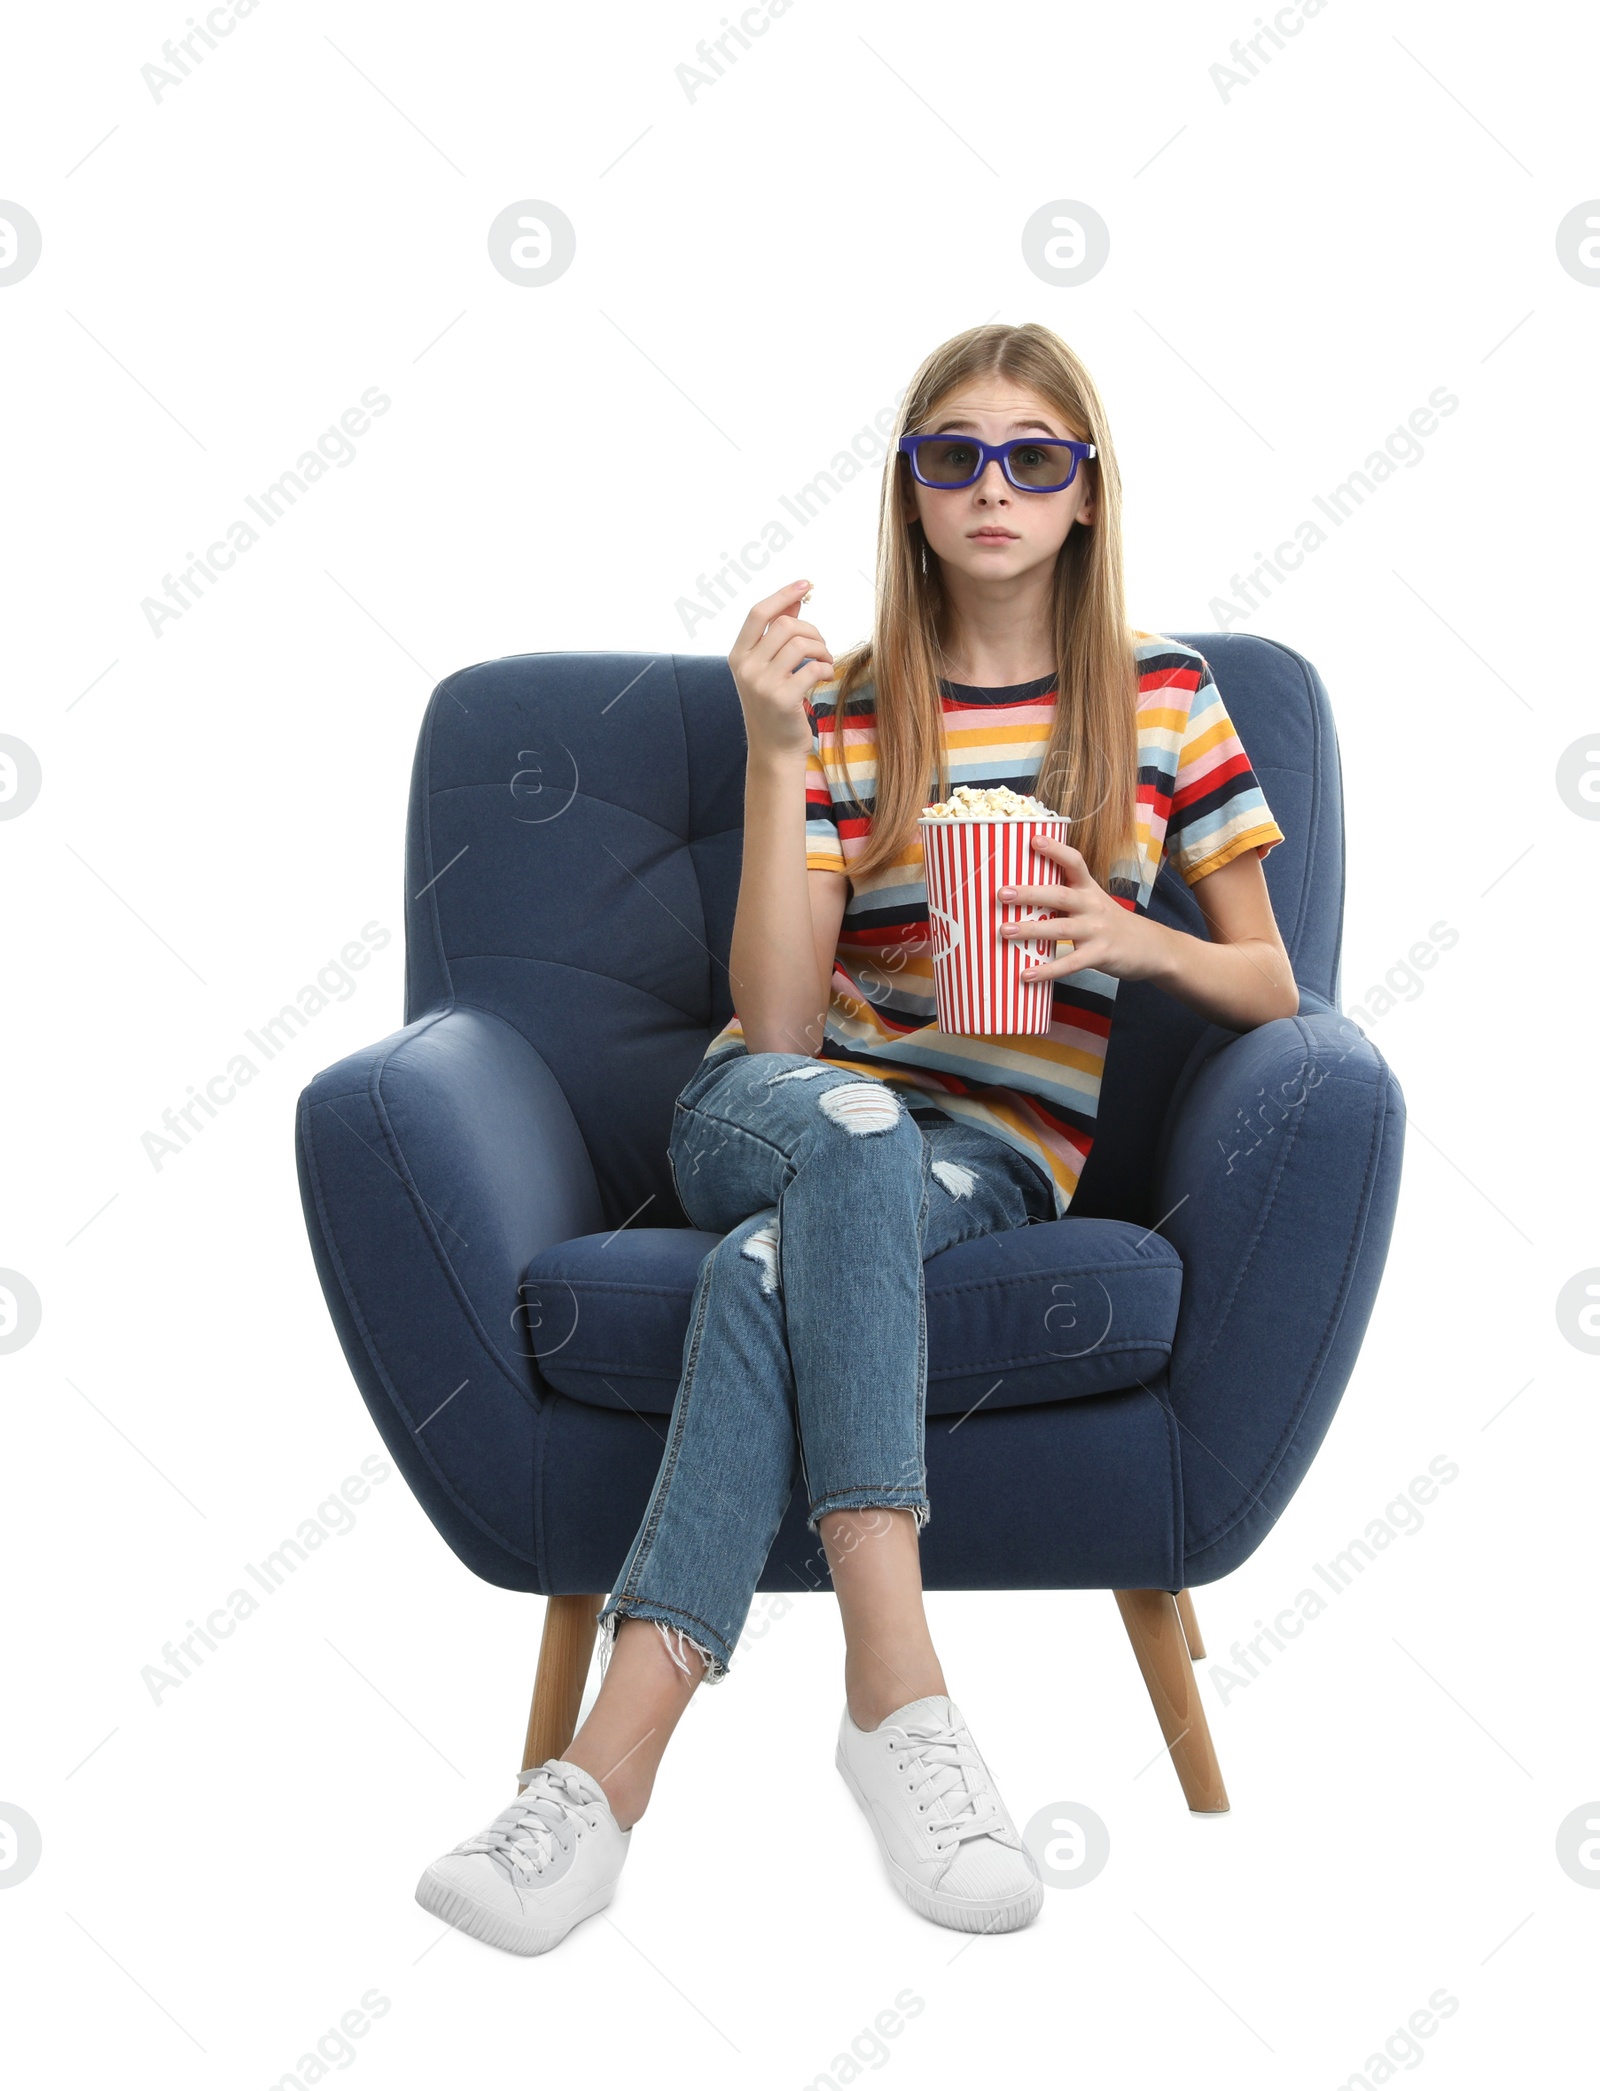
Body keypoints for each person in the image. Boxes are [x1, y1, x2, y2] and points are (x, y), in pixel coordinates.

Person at [414, 320, 1294, 1956]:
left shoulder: (1168, 698)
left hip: (999, 1151)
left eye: (1034, 454)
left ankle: (596, 1790)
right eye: (953, 452)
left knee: (765, 1278)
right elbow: (785, 1021)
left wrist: (1129, 934)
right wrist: (767, 751)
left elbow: (1272, 984)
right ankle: (901, 1692)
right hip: (772, 1101)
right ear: (910, 488)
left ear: (1087, 492)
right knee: (849, 1115)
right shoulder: (852, 702)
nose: (993, 486)